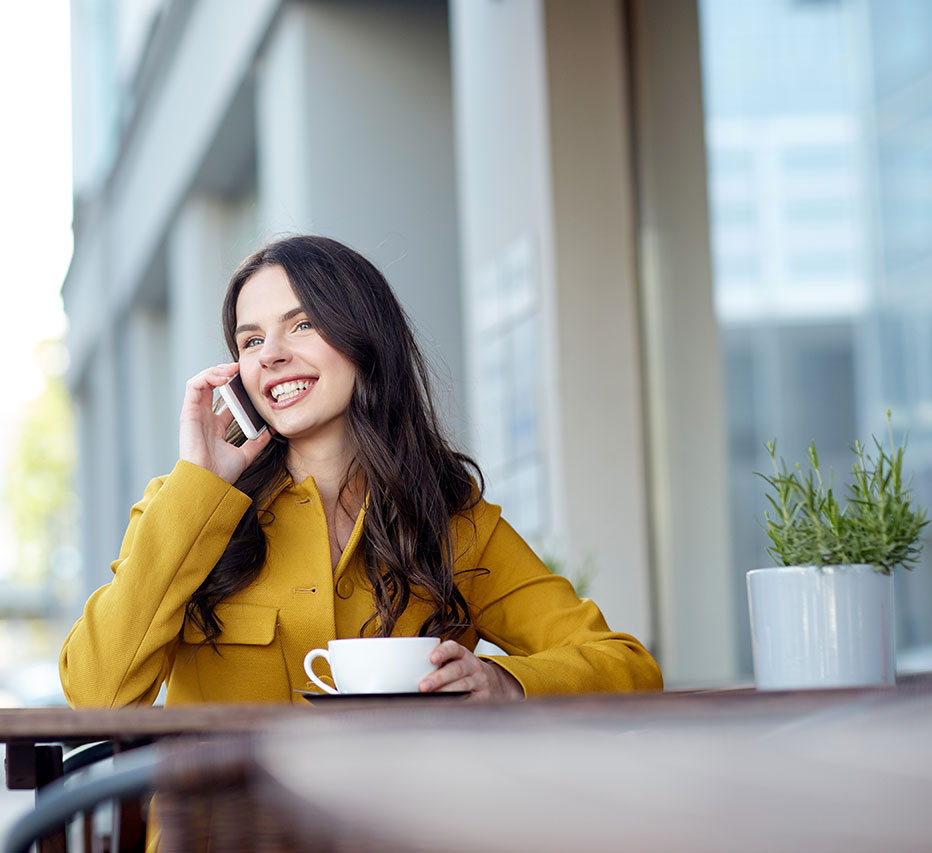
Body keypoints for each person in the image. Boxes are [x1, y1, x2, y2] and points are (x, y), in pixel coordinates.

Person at [60, 235, 661, 707]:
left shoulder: (451, 521)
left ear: (365, 340)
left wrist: (505, 683)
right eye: (249, 340)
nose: (270, 353)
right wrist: (201, 487)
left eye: (302, 324)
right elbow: (97, 694)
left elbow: (627, 665)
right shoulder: (184, 506)